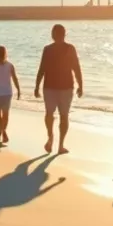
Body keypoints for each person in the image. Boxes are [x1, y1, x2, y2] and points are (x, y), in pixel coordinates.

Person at [34, 24, 83, 155]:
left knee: (55, 115)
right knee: (60, 116)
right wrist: (80, 85)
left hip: (60, 87)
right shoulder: (49, 49)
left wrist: (37, 86)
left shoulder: (68, 49)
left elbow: (76, 67)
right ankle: (55, 141)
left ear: (56, 34)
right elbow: (43, 68)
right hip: (56, 87)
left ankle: (56, 142)